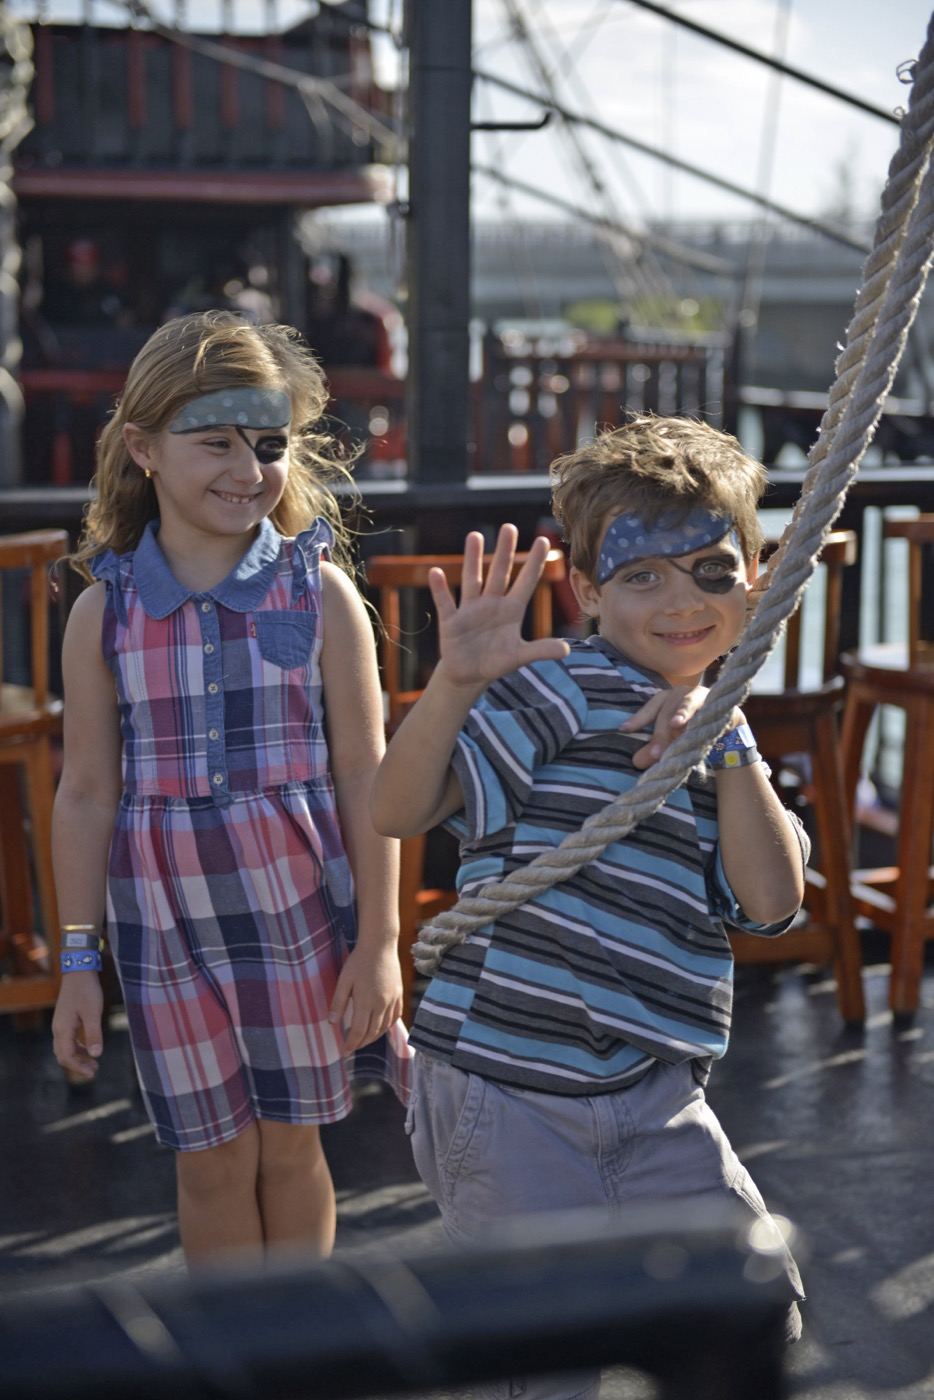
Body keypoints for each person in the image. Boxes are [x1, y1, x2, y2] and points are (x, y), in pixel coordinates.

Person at [371, 414, 807, 1400]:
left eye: (709, 570)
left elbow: (775, 902)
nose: (681, 601)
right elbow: (397, 808)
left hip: (651, 1093)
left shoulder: (723, 733)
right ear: (588, 590)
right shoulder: (557, 692)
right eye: (643, 576)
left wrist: (728, 738)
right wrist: (455, 680)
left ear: (753, 579)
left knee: (751, 1301)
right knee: (539, 1359)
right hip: (507, 1087)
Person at [51, 309, 411, 1271]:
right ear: (143, 450)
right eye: (214, 442)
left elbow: (366, 773)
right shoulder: (102, 614)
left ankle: (298, 1354)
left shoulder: (322, 595)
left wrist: (380, 943)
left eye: (268, 444)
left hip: (299, 915)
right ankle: (235, 1364)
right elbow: (86, 792)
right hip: (163, 930)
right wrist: (77, 964)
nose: (246, 469)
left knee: (292, 1151)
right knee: (209, 1167)